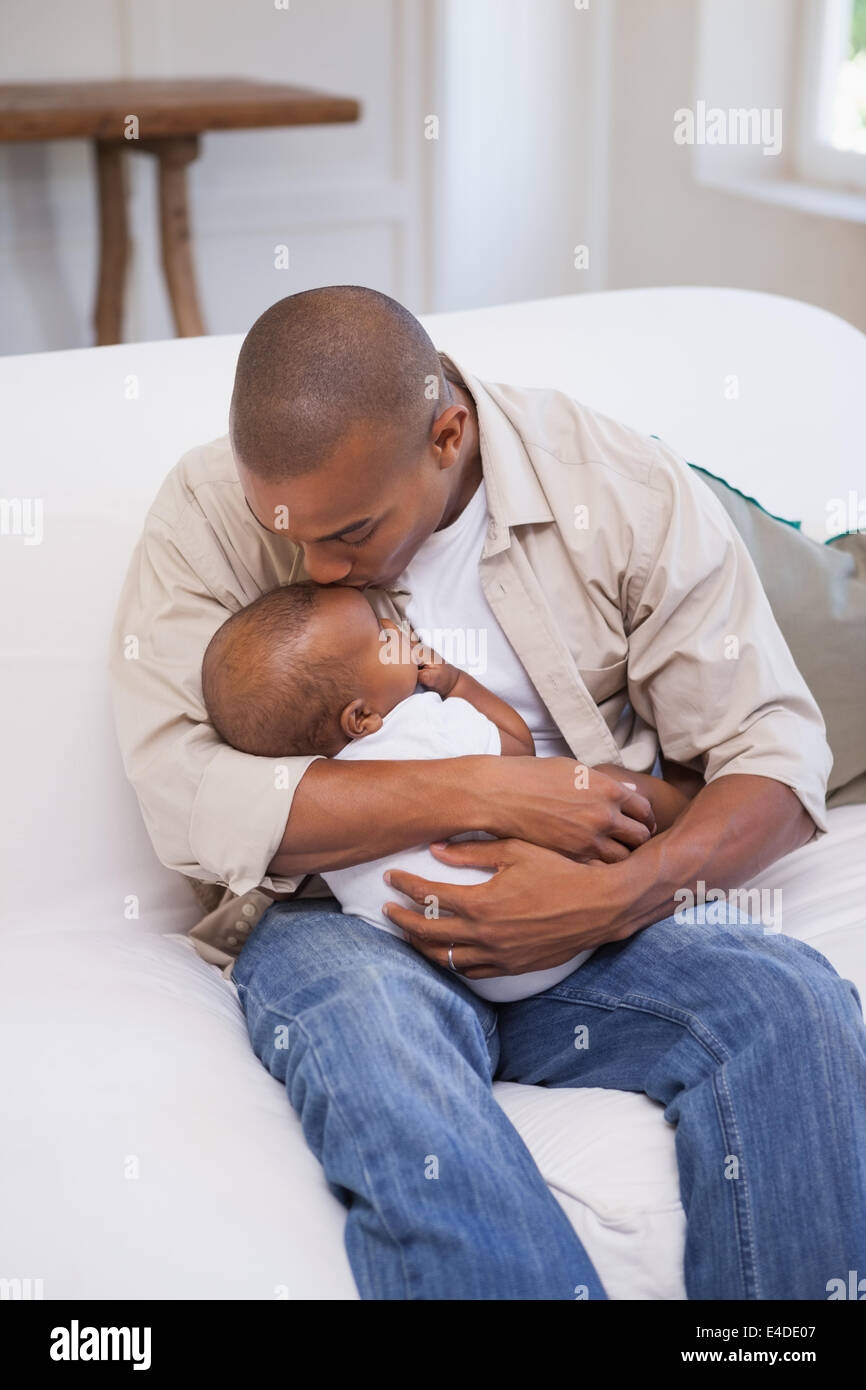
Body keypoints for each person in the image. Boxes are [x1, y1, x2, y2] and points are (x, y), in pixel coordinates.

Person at [110, 285, 866, 1300]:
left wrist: (604, 898)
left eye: (349, 532)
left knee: (791, 1003)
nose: (311, 567)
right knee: (381, 1046)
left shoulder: (616, 484)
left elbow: (771, 758)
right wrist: (491, 790)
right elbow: (183, 795)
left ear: (446, 434)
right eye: (287, 535)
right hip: (342, 916)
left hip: (589, 908)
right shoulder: (203, 510)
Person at [199, 580, 690, 1002]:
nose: (394, 630)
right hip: (554, 932)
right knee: (609, 780)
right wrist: (459, 684)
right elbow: (517, 751)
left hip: (462, 968)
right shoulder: (420, 723)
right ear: (360, 717)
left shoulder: (321, 799)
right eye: (380, 636)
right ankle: (683, 813)